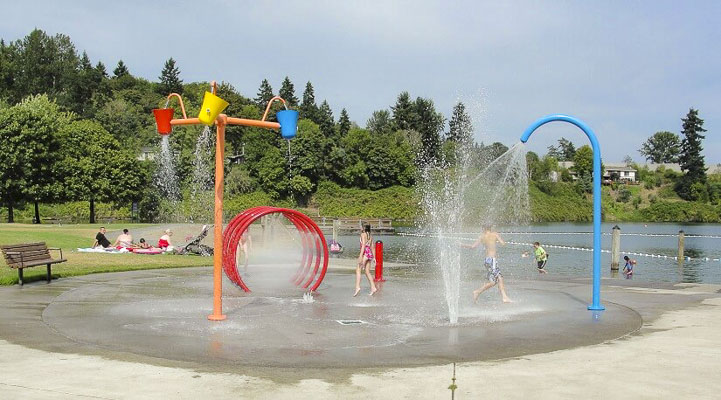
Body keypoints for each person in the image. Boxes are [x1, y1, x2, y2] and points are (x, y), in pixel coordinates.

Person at [462, 225, 511, 303]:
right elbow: (503, 243)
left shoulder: (482, 237)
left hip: (487, 260)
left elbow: (472, 246)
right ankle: (478, 292)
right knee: (496, 280)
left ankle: (503, 297)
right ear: (490, 229)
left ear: (484, 229)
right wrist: (498, 240)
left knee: (497, 279)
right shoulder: (495, 234)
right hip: (492, 260)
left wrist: (462, 244)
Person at [355, 224, 378, 297]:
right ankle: (373, 287)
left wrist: (360, 256)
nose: (360, 228)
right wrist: (374, 258)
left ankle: (357, 287)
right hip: (370, 254)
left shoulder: (363, 234)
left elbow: (364, 245)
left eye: (361, 227)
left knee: (358, 270)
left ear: (364, 228)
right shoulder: (370, 235)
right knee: (367, 272)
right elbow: (372, 247)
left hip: (365, 253)